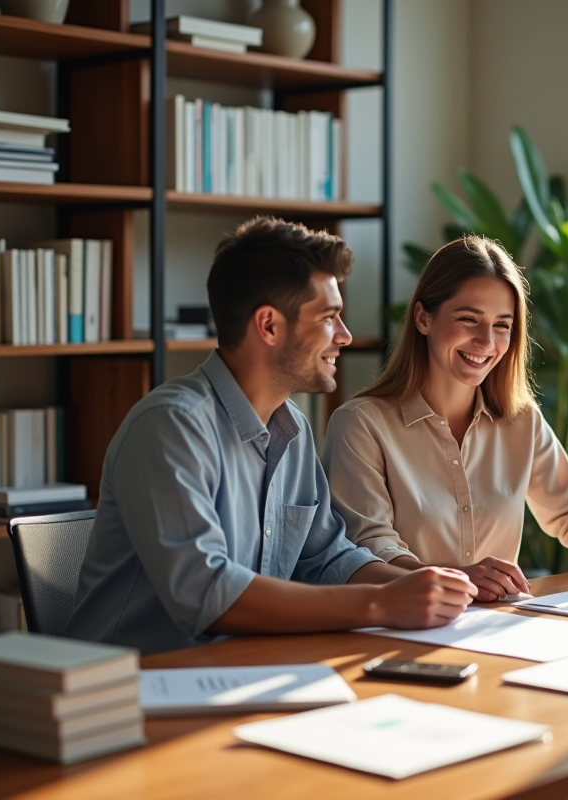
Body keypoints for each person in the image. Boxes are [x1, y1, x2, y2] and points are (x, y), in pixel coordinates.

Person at [66, 217, 477, 655]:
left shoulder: (292, 429)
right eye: (330, 317)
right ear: (268, 325)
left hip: (244, 671)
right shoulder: (170, 427)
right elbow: (206, 594)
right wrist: (380, 603)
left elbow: (327, 558)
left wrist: (432, 587)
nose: (345, 336)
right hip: (130, 691)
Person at [324, 235, 568, 602]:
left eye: (502, 325)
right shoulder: (360, 424)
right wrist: (459, 579)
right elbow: (368, 549)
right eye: (468, 319)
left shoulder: (521, 420)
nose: (486, 341)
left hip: (495, 634)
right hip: (401, 633)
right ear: (422, 318)